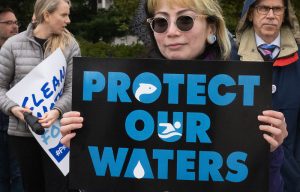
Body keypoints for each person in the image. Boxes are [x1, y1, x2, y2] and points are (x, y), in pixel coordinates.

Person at [60, 0, 287, 191]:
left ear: (211, 28)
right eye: (161, 22)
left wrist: (270, 152)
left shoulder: (242, 93)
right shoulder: (124, 90)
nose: (171, 32)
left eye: (185, 20)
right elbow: (107, 177)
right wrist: (85, 149)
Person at [0, 0, 81, 191]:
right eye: (63, 15)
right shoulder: (13, 45)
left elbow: (73, 88)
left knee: (58, 187)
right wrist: (13, 108)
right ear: (46, 15)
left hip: (58, 135)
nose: (68, 20)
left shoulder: (70, 45)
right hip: (21, 134)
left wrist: (57, 111)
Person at [234, 0, 300, 191]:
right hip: (241, 174)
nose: (271, 15)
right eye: (263, 8)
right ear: (250, 13)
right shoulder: (230, 58)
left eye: (277, 9)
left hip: (291, 179)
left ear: (285, 14)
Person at [0, 7, 24, 192]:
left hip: (17, 118)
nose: (14, 26)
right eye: (8, 23)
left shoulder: (21, 51)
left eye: (16, 22)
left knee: (19, 174)